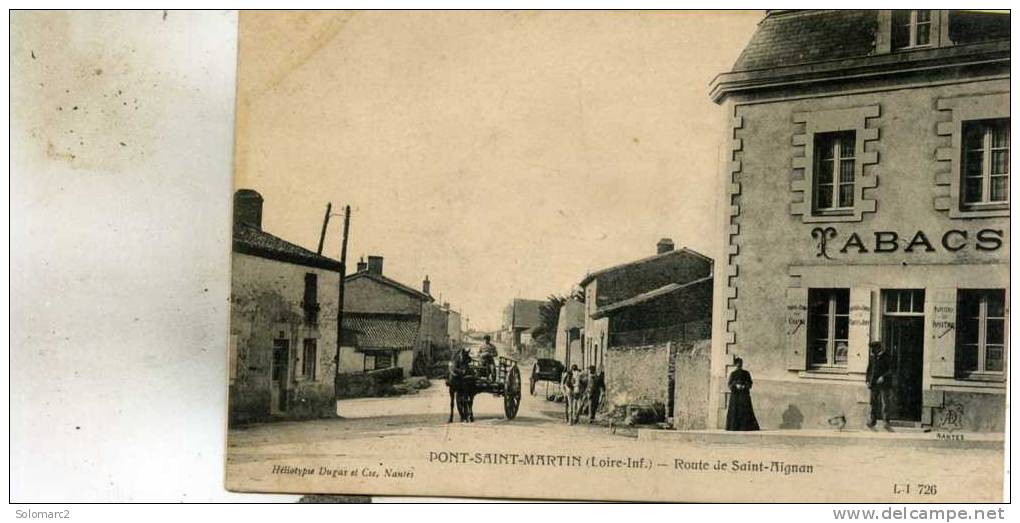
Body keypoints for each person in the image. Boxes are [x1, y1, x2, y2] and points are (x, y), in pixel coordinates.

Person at [725, 357, 760, 431]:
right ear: (735, 364)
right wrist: (736, 385)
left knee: (745, 411)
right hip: (735, 396)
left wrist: (744, 386)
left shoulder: (746, 373)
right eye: (738, 363)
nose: (739, 365)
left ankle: (745, 427)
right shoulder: (733, 374)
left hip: (744, 395)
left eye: (740, 363)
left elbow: (750, 383)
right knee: (735, 410)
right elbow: (729, 384)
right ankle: (734, 427)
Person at [866, 341, 894, 431]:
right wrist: (867, 380)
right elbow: (869, 369)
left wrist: (883, 377)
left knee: (885, 403)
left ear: (878, 348)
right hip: (874, 384)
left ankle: (886, 422)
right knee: (873, 403)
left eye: (873, 349)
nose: (872, 351)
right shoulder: (872, 357)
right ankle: (872, 421)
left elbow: (891, 370)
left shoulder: (886, 357)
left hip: (884, 385)